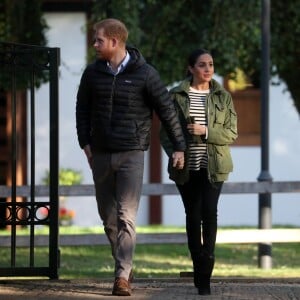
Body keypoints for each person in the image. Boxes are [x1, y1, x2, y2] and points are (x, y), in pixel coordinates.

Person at [76, 18, 186, 297]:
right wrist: (85, 144)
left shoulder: (145, 74)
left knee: (127, 216)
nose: (95, 44)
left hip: (132, 153)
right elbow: (82, 109)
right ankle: (124, 264)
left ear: (115, 41)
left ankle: (121, 276)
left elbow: (167, 111)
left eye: (99, 40)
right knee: (108, 217)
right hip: (100, 153)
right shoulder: (92, 73)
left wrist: (179, 147)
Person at [160, 49, 238, 295]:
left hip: (215, 165)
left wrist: (206, 131)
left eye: (211, 65)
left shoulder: (222, 96)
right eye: (202, 65)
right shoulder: (176, 95)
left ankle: (207, 268)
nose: (208, 69)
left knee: (210, 214)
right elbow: (165, 132)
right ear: (191, 68)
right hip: (186, 167)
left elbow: (231, 132)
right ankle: (198, 264)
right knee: (192, 216)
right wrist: (176, 151)